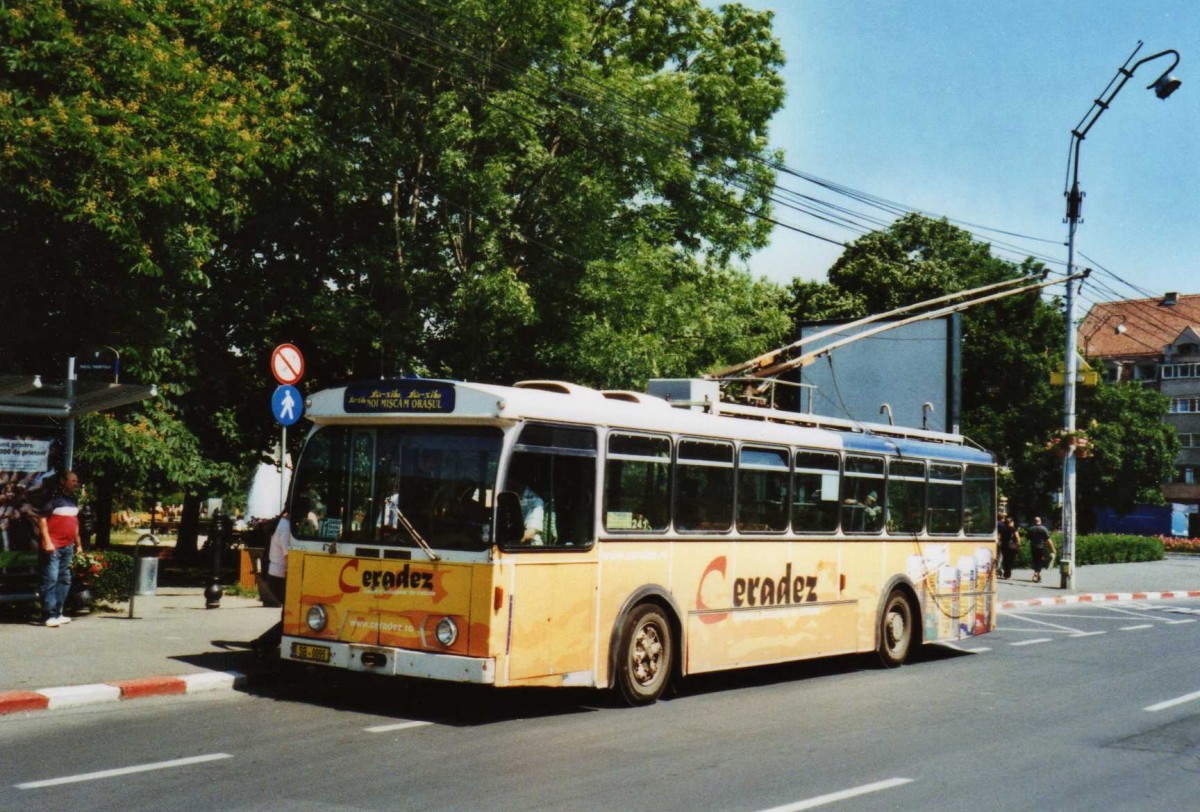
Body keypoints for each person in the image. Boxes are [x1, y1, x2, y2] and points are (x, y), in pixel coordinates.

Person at [38, 471, 83, 627]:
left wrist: (78, 544)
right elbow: (42, 520)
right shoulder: (53, 498)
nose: (76, 483)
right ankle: (47, 615)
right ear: (63, 481)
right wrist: (47, 541)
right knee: (51, 578)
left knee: (64, 579)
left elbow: (74, 523)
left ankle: (58, 612)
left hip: (68, 546)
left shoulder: (74, 500)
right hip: (53, 546)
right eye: (73, 480)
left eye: (77, 481)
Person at [253, 512, 290, 657]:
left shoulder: (282, 523)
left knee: (289, 614)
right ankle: (262, 644)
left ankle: (264, 644)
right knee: (293, 617)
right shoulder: (285, 526)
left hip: (275, 576)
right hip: (279, 577)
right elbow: (288, 556)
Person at [1026, 516, 1056, 583]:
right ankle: (1036, 574)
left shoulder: (1030, 529)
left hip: (1033, 547)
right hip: (1041, 547)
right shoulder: (1044, 529)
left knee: (1035, 561)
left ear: (1034, 521)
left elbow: (1028, 538)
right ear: (1040, 521)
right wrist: (1053, 549)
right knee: (1040, 561)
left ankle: (1038, 575)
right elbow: (1048, 540)